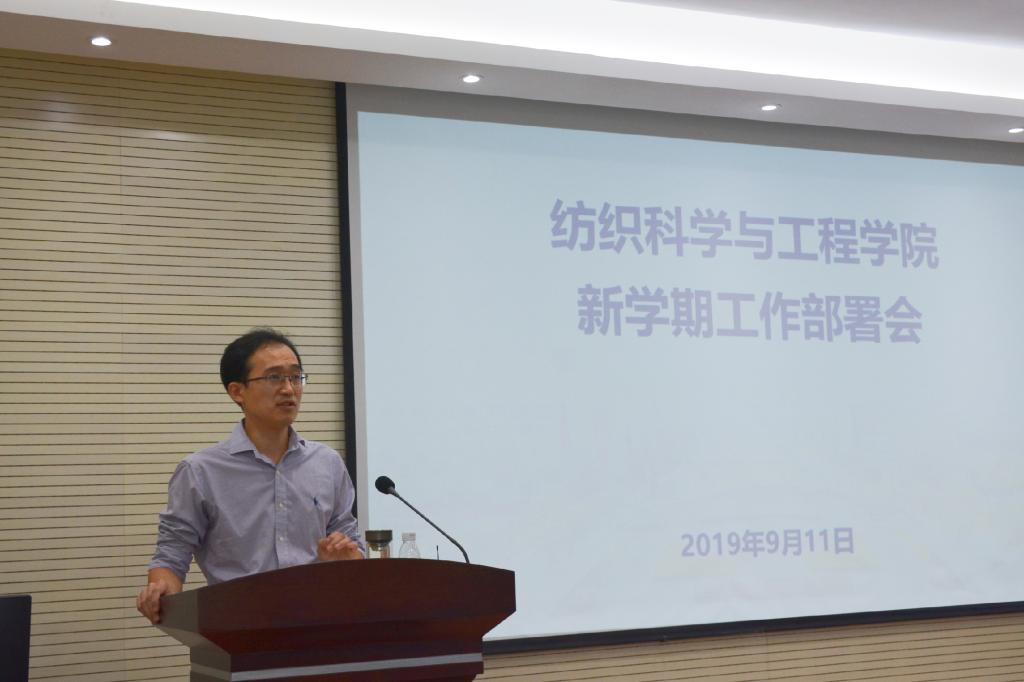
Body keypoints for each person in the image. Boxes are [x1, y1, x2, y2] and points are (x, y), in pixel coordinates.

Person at [137, 328, 364, 624]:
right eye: (274, 377)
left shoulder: (327, 463)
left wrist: (347, 561)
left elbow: (351, 543)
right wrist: (162, 591)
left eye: (296, 377)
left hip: (319, 626)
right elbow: (172, 553)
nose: (288, 389)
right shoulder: (200, 471)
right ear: (237, 391)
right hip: (237, 630)